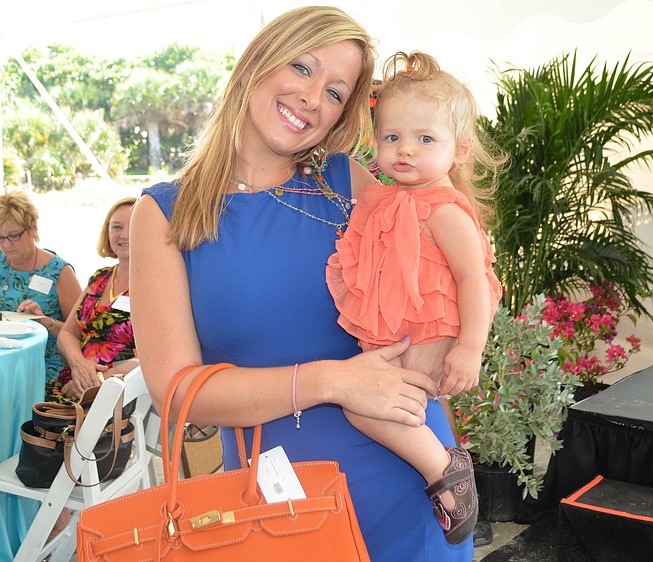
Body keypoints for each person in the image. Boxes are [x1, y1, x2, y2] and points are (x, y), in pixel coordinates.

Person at [130, 7, 472, 560]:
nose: (314, 99)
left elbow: (448, 270)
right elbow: (176, 393)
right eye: (304, 68)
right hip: (282, 510)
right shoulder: (167, 214)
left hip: (414, 490)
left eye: (337, 92)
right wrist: (332, 382)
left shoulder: (349, 184)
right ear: (254, 64)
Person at [326, 51, 503, 544]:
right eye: (391, 137)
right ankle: (443, 466)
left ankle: (447, 472)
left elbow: (475, 279)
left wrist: (469, 347)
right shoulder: (383, 199)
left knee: (370, 407)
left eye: (425, 139)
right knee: (368, 402)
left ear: (460, 150)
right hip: (404, 334)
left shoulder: (445, 210)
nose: (405, 150)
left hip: (435, 332)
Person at [55, 196, 139, 402]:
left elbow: (156, 357)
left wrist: (99, 381)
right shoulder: (100, 277)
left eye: (134, 226)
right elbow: (67, 333)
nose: (124, 235)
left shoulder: (157, 284)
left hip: (119, 394)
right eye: (116, 227)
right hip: (75, 382)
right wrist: (79, 365)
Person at [0, 189, 82, 395]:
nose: (6, 245)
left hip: (45, 363)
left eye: (13, 236)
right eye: (0, 238)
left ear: (33, 229)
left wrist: (45, 321)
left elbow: (82, 332)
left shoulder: (59, 272)